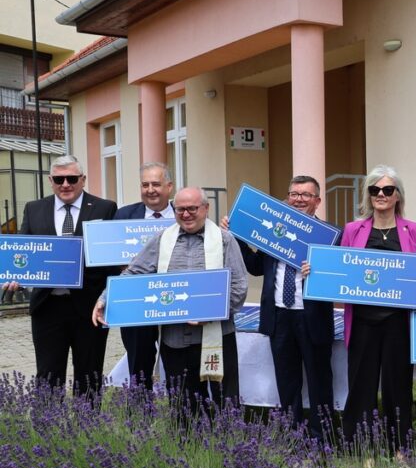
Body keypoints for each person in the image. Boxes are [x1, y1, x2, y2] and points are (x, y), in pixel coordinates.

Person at [92, 186, 248, 416]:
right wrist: (106, 298)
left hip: (217, 337)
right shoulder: (163, 239)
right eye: (180, 209)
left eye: (192, 208)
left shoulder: (224, 240)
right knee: (183, 406)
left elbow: (239, 286)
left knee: (225, 403)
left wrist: (211, 312)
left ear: (206, 208)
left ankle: (226, 439)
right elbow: (134, 272)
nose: (186, 214)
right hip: (175, 340)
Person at [225, 175, 335, 443]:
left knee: (319, 383)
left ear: (317, 201)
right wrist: (235, 236)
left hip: (312, 318)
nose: (298, 199)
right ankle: (293, 438)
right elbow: (255, 267)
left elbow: (338, 278)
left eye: (305, 195)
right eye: (294, 194)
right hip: (279, 316)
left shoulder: (330, 236)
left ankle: (322, 440)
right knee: (287, 383)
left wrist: (319, 272)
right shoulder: (275, 231)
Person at [2, 155, 117, 396]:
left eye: (72, 178)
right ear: (50, 181)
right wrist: (15, 277)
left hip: (89, 308)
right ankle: (49, 420)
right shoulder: (34, 208)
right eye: (59, 179)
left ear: (83, 179)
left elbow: (111, 260)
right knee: (48, 375)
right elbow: (23, 251)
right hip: (47, 306)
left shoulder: (104, 208)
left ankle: (88, 420)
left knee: (89, 375)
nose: (65, 184)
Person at [339, 165, 416, 449]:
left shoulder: (414, 230)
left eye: (387, 189)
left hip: (398, 323)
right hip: (362, 321)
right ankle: (359, 447)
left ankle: (399, 447)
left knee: (398, 387)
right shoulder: (352, 230)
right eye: (374, 189)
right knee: (360, 387)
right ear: (368, 194)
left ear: (397, 195)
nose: (381, 194)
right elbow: (341, 270)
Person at [113, 162, 175, 389]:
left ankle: (181, 408)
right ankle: (139, 408)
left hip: (173, 302)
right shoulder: (123, 215)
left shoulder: (184, 213)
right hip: (136, 303)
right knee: (138, 367)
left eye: (156, 184)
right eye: (145, 184)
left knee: (177, 365)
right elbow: (109, 256)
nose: (150, 190)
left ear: (169, 186)